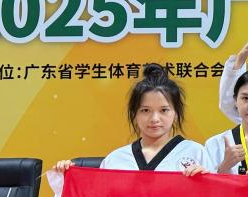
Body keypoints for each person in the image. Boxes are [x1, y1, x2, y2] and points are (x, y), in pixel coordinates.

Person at [54, 64, 209, 174]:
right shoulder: (115, 160)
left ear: (176, 113)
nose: (154, 118)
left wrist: (206, 180)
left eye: (164, 110)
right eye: (145, 110)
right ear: (135, 113)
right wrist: (65, 175)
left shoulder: (196, 153)